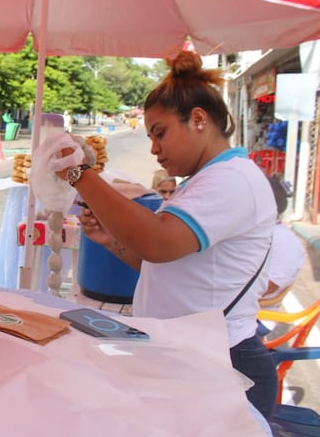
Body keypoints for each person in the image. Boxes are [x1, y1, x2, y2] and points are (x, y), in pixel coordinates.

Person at [57, 50, 277, 418]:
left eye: (160, 134)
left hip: (223, 364)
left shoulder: (231, 179)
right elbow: (165, 267)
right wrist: (111, 241)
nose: (154, 149)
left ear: (198, 119)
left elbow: (158, 243)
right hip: (190, 356)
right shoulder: (203, 180)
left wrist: (79, 174)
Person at [259, 175, 306, 306]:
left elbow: (270, 286)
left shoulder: (285, 242)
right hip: (234, 313)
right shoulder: (263, 231)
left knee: (198, 323)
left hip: (256, 318)